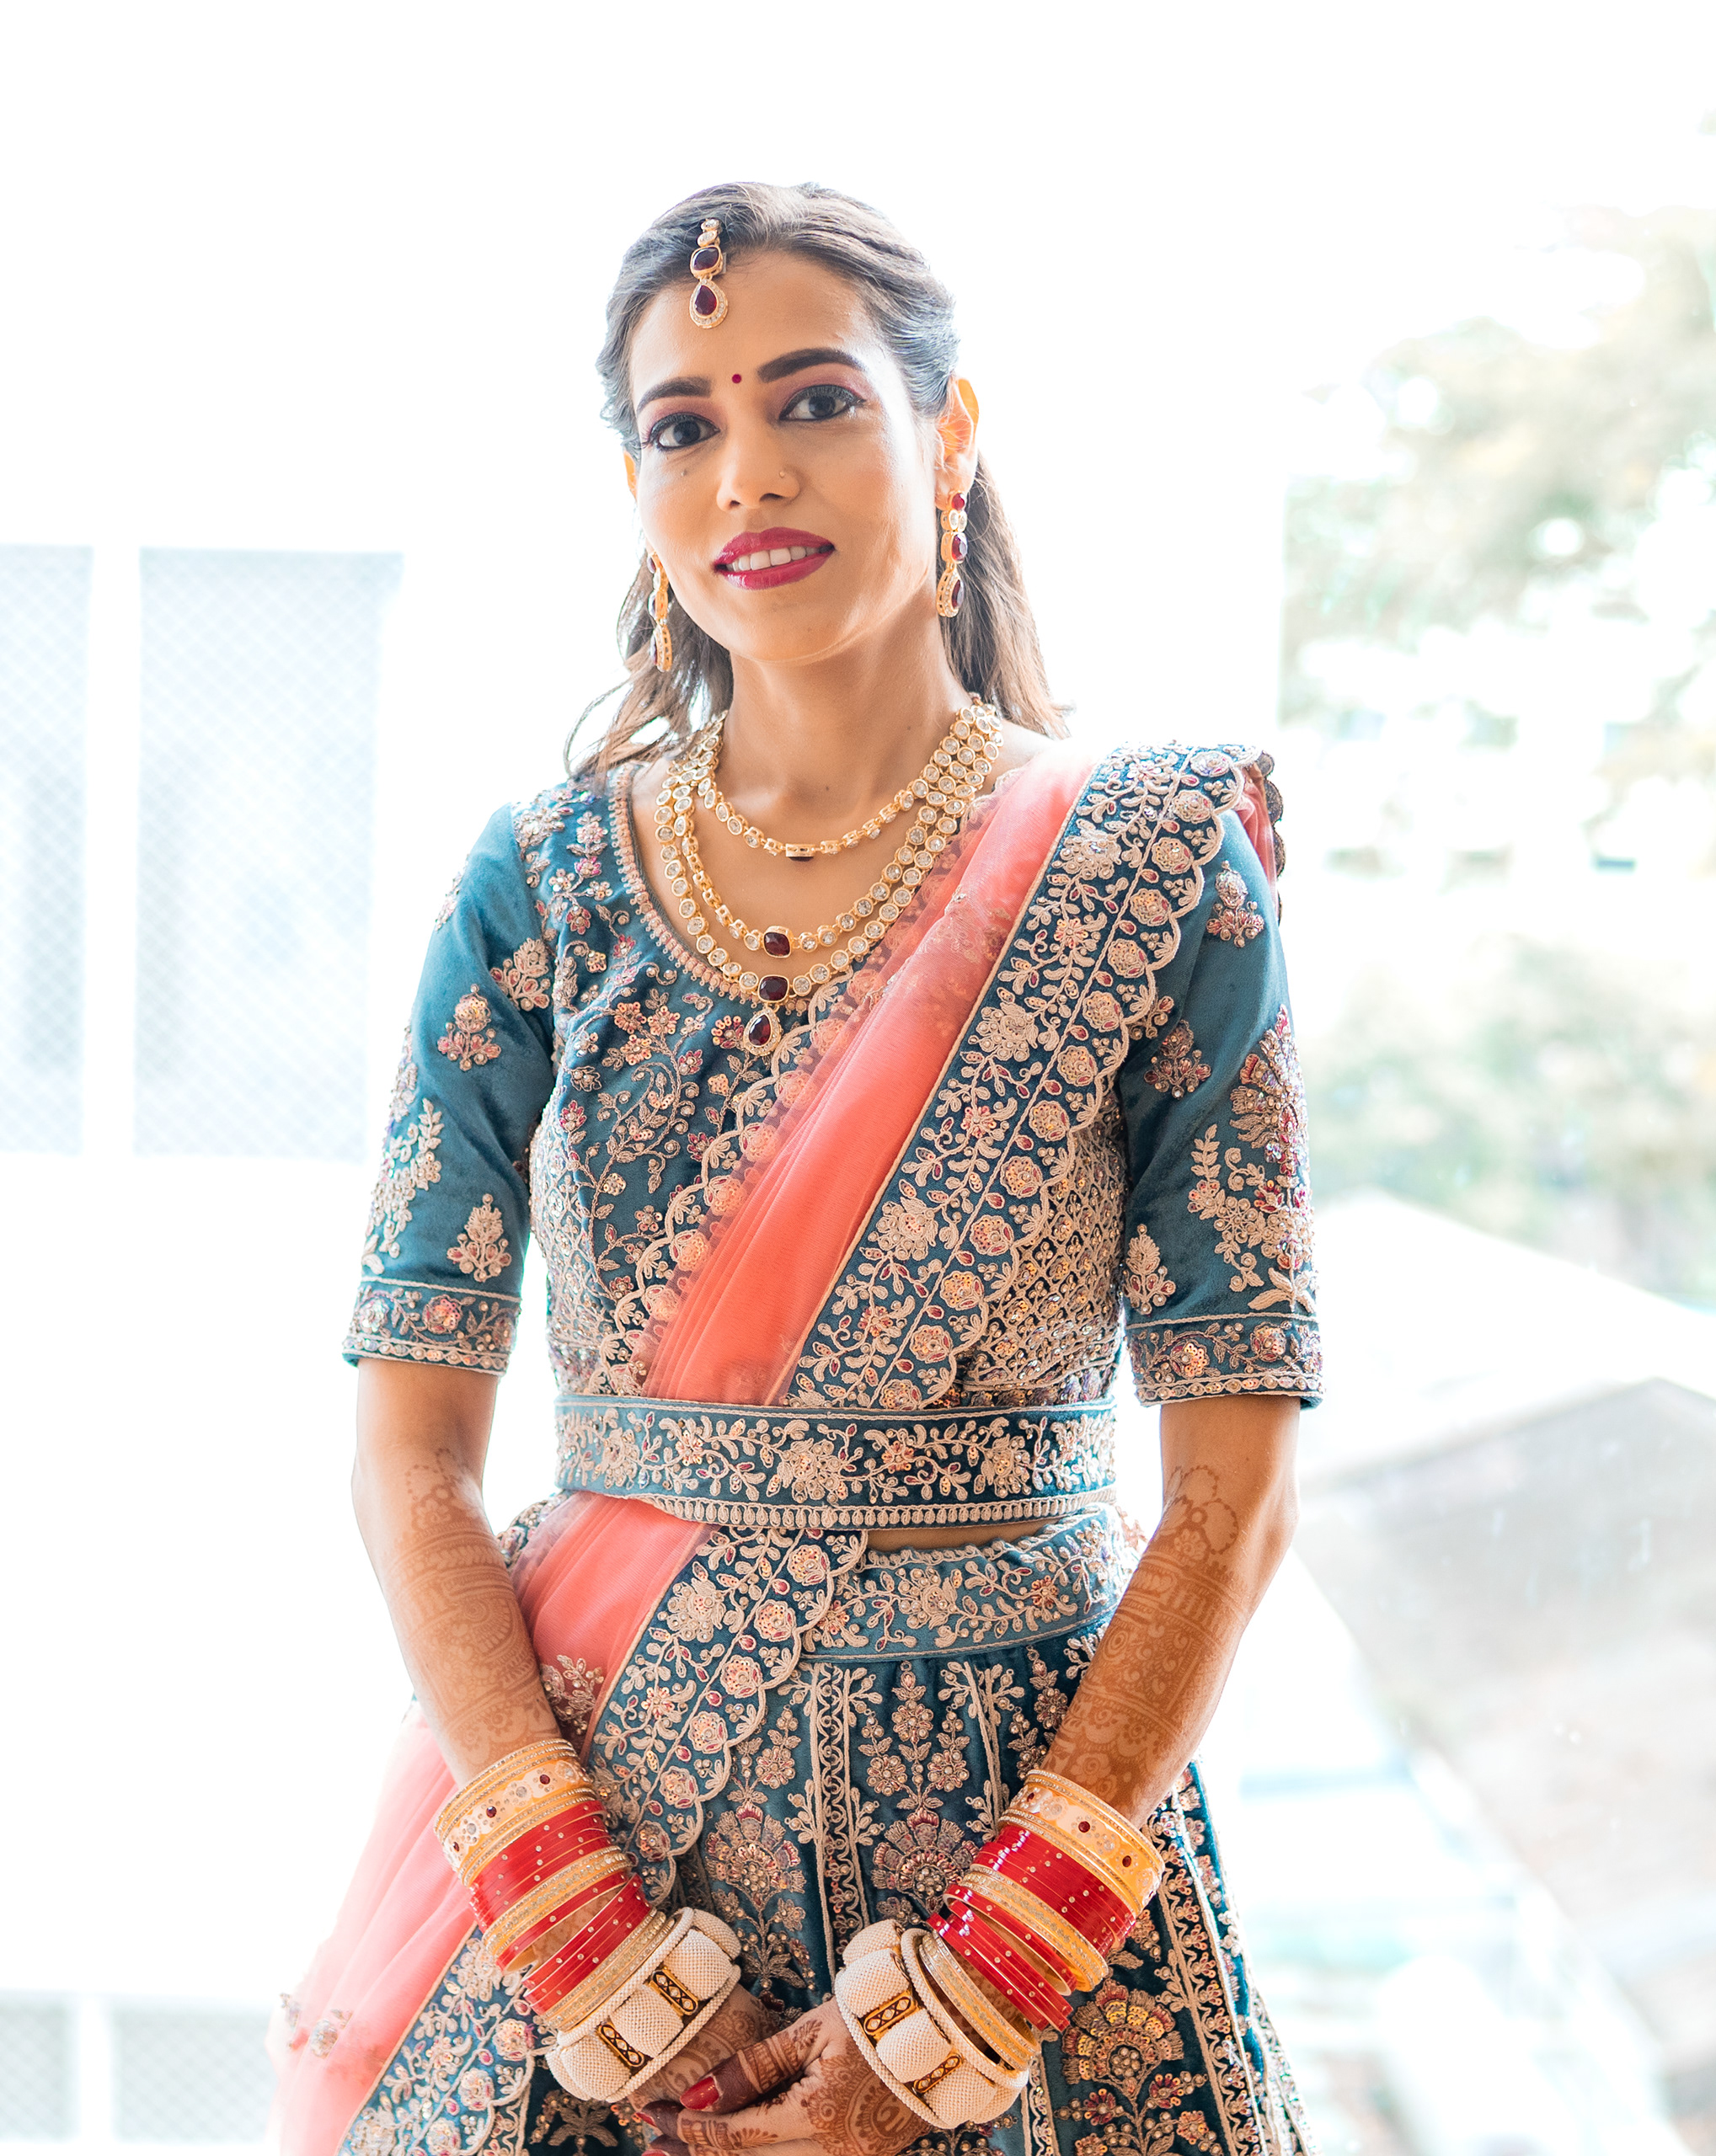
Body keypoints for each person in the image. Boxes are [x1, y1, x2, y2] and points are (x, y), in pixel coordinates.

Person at [276, 182, 1322, 2156]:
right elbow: (409, 1452)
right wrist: (586, 1939)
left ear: (947, 428)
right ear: (640, 488)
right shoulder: (541, 886)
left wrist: (972, 2001)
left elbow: (1233, 1499)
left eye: (815, 400)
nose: (749, 471)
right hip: (589, 1887)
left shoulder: (1155, 870)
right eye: (684, 425)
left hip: (1031, 1900)